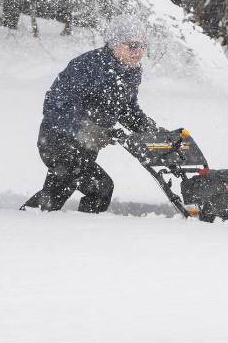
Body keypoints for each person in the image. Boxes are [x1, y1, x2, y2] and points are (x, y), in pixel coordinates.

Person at [21, 14, 166, 213]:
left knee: (84, 189)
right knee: (87, 186)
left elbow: (126, 108)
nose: (139, 52)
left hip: (85, 149)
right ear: (115, 44)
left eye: (142, 45)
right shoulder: (88, 66)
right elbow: (54, 105)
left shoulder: (131, 72)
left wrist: (145, 127)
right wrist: (86, 130)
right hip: (58, 142)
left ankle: (51, 223)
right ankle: (31, 223)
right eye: (133, 45)